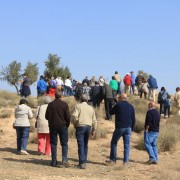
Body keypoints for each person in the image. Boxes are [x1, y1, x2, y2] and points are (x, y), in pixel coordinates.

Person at [105, 93, 136, 165]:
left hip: (120, 127)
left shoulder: (118, 105)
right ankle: (126, 162)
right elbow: (133, 119)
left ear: (121, 98)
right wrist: (132, 128)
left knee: (114, 143)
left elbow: (110, 112)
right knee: (127, 145)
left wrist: (114, 104)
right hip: (128, 127)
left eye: (119, 97)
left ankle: (112, 160)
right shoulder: (131, 106)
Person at [71, 94, 97, 169]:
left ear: (80, 99)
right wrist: (94, 129)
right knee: (85, 145)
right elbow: (94, 120)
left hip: (80, 126)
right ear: (87, 100)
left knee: (81, 145)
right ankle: (84, 161)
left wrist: (75, 124)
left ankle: (81, 163)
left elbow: (75, 116)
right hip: (88, 127)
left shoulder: (78, 106)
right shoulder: (91, 108)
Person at [45, 91, 70, 167]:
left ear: (55, 96)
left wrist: (51, 120)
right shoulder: (64, 104)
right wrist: (67, 125)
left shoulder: (50, 104)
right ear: (61, 96)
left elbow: (46, 116)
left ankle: (53, 161)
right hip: (63, 126)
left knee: (53, 143)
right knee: (64, 143)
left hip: (53, 126)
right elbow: (68, 117)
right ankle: (64, 160)